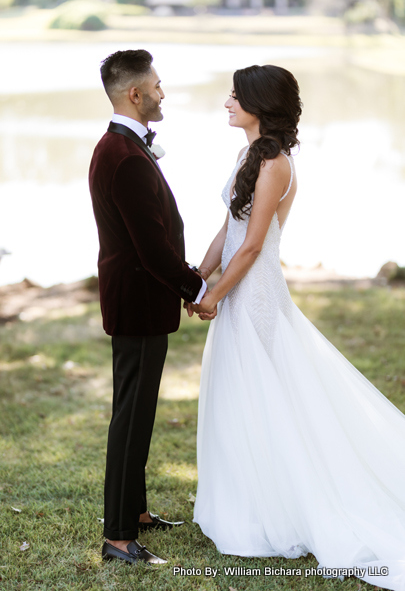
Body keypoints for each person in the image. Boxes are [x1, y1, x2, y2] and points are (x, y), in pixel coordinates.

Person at [188, 64, 405, 591]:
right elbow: (229, 228)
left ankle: (280, 503)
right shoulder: (247, 156)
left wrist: (217, 293)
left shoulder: (276, 166)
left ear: (261, 104)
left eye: (236, 96)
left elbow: (256, 244)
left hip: (257, 293)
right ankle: (252, 492)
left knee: (267, 393)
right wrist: (198, 275)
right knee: (241, 395)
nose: (227, 103)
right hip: (237, 287)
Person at [88, 49, 206, 565]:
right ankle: (117, 537)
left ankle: (134, 511)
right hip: (137, 302)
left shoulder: (117, 148)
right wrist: (197, 289)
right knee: (131, 417)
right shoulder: (126, 157)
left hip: (137, 300)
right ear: (134, 93)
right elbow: (151, 248)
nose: (163, 92)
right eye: (157, 85)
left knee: (137, 413)